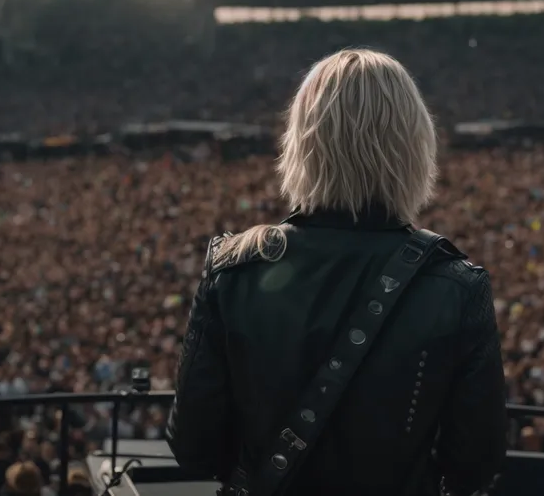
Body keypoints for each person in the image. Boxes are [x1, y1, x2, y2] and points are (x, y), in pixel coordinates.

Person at [167, 49, 507, 496]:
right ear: (414, 147)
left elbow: (194, 447)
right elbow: (476, 463)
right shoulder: (456, 287)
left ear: (301, 143)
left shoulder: (234, 268)